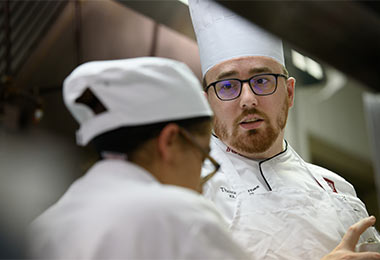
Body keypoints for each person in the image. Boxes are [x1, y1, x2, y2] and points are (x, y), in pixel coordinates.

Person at [188, 0, 380, 259]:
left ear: (289, 93)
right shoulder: (188, 187)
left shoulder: (338, 191)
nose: (248, 99)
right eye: (227, 86)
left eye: (262, 80)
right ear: (208, 103)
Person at [27, 57, 249, 259]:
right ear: (170, 140)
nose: (201, 189)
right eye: (202, 157)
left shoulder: (42, 228)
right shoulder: (177, 217)